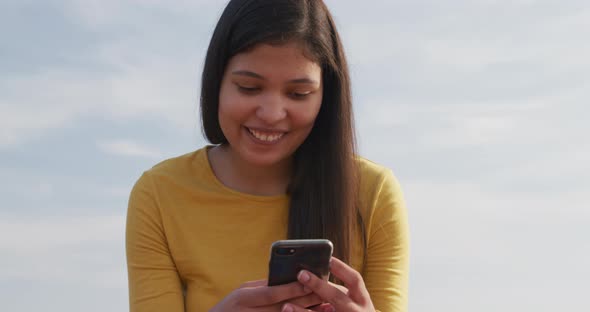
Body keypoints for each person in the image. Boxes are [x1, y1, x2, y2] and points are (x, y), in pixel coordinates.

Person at [125, 0, 409, 311]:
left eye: (298, 94)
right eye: (248, 87)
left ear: (325, 96)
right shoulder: (160, 194)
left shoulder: (372, 192)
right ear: (215, 82)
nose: (272, 114)